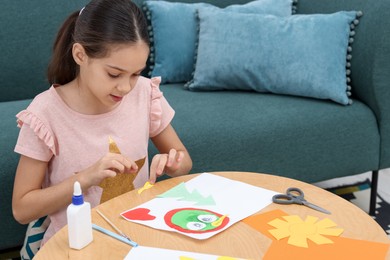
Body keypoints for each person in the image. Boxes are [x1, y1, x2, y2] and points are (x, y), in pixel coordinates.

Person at [12, 0, 192, 257]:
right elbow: (21, 208)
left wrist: (174, 163)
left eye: (135, 73)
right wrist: (85, 178)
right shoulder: (45, 113)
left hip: (137, 238)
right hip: (76, 248)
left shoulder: (144, 93)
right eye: (114, 74)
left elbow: (184, 161)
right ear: (80, 55)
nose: (126, 88)